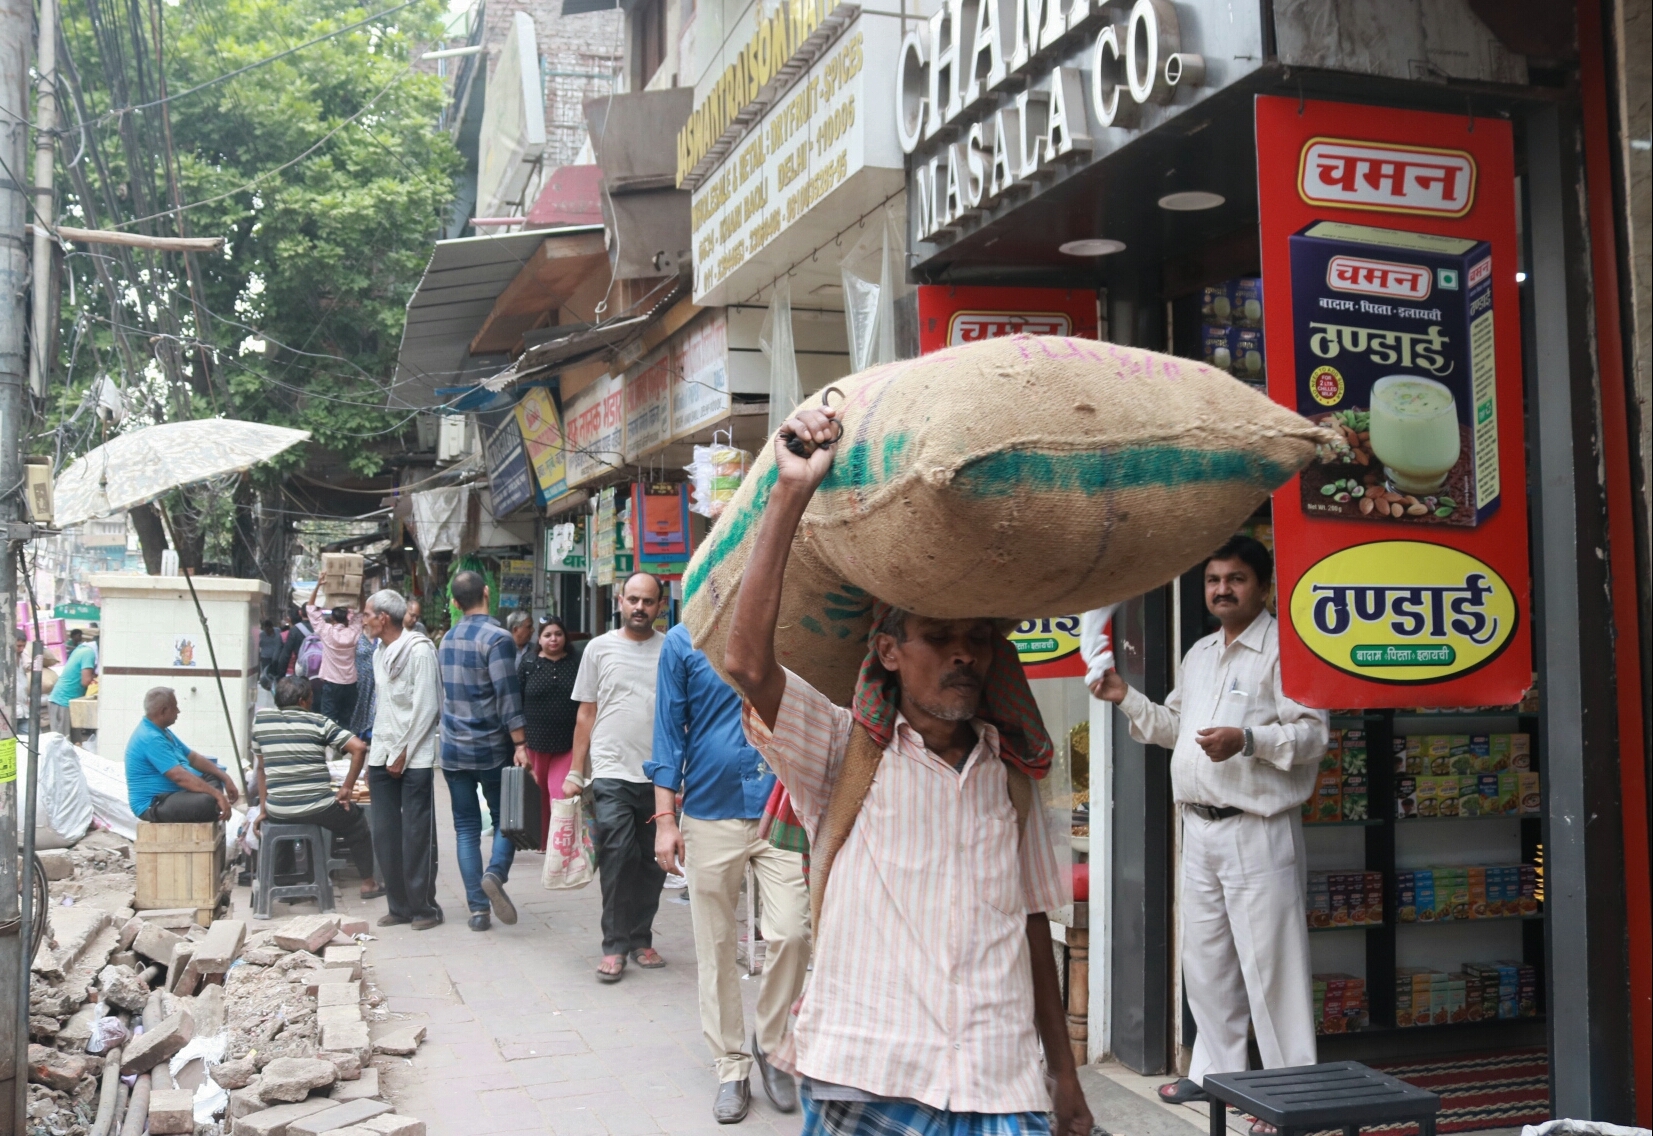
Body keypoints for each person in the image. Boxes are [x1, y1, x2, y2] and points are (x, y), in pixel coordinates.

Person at [723, 404, 1092, 1136]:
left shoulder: (1010, 775)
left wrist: (1064, 1077)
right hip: (867, 1069)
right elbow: (746, 663)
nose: (963, 654)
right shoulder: (842, 754)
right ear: (889, 652)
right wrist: (789, 491)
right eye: (937, 637)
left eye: (977, 639)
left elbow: (1028, 930)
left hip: (998, 1078)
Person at [1090, 535, 1326, 1124]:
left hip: (1258, 830)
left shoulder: (1285, 652)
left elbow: (1313, 736)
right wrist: (1125, 698)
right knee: (1206, 961)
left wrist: (1247, 741)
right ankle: (1217, 1075)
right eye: (1213, 579)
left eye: (1236, 578)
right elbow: (1175, 727)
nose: (1222, 588)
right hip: (1198, 829)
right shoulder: (1198, 654)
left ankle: (1290, 1094)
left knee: (1273, 969)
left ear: (1264, 587)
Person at [649, 621, 810, 1123]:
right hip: (709, 810)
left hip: (781, 808)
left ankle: (773, 1041)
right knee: (715, 945)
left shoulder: (790, 627)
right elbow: (667, 732)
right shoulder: (684, 641)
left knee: (793, 933)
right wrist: (665, 822)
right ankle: (731, 1067)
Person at [563, 572, 668, 983]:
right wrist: (575, 770)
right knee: (618, 854)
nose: (640, 608)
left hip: (658, 774)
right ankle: (614, 944)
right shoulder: (598, 649)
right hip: (610, 770)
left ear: (660, 607)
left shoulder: (672, 649)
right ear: (620, 601)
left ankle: (641, 935)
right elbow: (585, 713)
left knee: (652, 861)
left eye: (648, 601)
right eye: (633, 600)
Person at [439, 570, 527, 932]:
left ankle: (478, 910)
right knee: (507, 820)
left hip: (452, 749)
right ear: (487, 593)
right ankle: (494, 874)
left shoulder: (445, 639)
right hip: (491, 747)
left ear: (456, 603)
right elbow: (507, 696)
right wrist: (520, 743)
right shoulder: (498, 638)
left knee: (465, 828)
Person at [250, 676, 381, 898]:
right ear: (302, 701)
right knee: (357, 822)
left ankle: (281, 883)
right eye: (311, 698)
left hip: (278, 809)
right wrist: (347, 788)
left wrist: (264, 810)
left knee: (283, 823)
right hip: (319, 807)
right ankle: (368, 883)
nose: (313, 701)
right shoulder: (319, 722)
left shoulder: (261, 721)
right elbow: (359, 748)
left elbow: (261, 770)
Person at [363, 588, 444, 930]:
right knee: (384, 833)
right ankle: (398, 907)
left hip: (414, 757)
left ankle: (424, 908)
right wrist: (375, 756)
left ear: (383, 617)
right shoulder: (378, 652)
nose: (363, 619)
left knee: (416, 835)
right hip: (383, 753)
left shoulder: (420, 651)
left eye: (366, 613)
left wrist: (404, 752)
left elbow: (427, 708)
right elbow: (382, 707)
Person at [125, 687, 241, 822]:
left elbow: (193, 758)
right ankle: (213, 803)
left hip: (176, 792)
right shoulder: (150, 738)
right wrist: (217, 795)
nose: (178, 711)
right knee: (208, 802)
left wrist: (225, 778)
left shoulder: (162, 731)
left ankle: (213, 802)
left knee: (214, 774)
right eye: (175, 707)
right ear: (163, 711)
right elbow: (179, 777)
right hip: (155, 803)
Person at [517, 616, 580, 849]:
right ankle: (541, 842)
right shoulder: (528, 664)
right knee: (539, 795)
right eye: (547, 635)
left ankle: (559, 845)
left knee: (559, 793)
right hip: (535, 743)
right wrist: (519, 744)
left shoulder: (576, 663)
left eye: (558, 634)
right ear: (539, 639)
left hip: (568, 744)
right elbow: (517, 703)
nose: (553, 639)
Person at [306, 587, 365, 724]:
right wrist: (360, 588)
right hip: (350, 683)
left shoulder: (326, 632)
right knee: (346, 718)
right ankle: (344, 744)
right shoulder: (354, 632)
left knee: (328, 718)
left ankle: (330, 743)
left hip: (331, 682)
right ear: (347, 619)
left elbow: (310, 608)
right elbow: (362, 611)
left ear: (332, 618)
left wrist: (319, 584)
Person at [48, 627, 98, 736]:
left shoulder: (83, 649)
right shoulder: (88, 653)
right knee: (62, 742)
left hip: (68, 702)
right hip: (63, 702)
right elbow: (85, 681)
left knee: (74, 743)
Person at [258, 619, 284, 689]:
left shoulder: (278, 631)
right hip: (265, 657)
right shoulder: (261, 635)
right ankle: (266, 685)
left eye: (268, 630)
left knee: (275, 672)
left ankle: (276, 684)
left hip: (276, 656)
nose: (267, 632)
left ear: (272, 627)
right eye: (265, 630)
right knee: (265, 672)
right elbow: (258, 645)